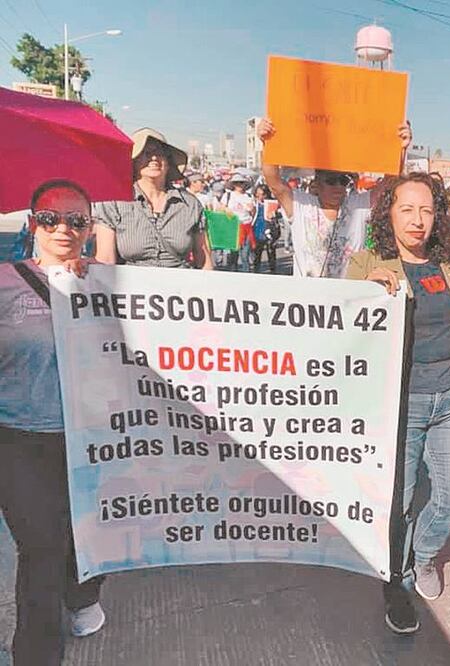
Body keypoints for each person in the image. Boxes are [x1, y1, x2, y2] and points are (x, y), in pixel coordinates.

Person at [347, 173, 450, 635]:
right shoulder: (366, 261)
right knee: (400, 501)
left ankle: (424, 556)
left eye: (427, 210)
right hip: (400, 404)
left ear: (438, 217)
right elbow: (340, 330)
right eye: (406, 209)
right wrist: (364, 295)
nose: (417, 220)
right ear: (387, 213)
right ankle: (397, 581)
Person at [1, 180, 107, 664]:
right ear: (32, 224)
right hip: (19, 439)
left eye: (76, 220)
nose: (63, 227)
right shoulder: (4, 282)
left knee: (86, 533)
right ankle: (36, 654)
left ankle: (83, 594)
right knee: (41, 548)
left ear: (89, 228)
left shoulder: (109, 283)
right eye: (50, 218)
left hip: (93, 439)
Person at [257, 118, 412, 278]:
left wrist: (399, 149)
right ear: (317, 183)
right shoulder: (301, 205)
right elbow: (274, 182)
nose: (338, 186)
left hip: (348, 298)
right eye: (331, 181)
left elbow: (390, 182)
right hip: (308, 299)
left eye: (343, 181)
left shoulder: (358, 205)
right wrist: (267, 143)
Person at [93, 128, 213, 270]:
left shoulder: (190, 204)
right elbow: (106, 259)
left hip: (180, 287)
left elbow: (204, 260)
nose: (154, 158)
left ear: (168, 162)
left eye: (160, 153)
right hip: (132, 288)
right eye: (146, 153)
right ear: (134, 161)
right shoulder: (113, 203)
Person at [226, 174, 256, 272]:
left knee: (245, 254)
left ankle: (245, 274)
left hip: (246, 226)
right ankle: (233, 274)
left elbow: (253, 211)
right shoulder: (228, 195)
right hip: (233, 227)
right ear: (233, 184)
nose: (239, 185)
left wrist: (251, 209)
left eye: (241, 183)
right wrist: (227, 211)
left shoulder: (248, 196)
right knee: (233, 254)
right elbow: (221, 207)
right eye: (237, 183)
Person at [251, 184, 281, 273]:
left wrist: (275, 214)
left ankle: (273, 270)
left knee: (271, 251)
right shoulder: (253, 202)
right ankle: (256, 271)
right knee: (257, 252)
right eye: (258, 194)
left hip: (269, 229)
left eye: (262, 194)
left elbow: (281, 213)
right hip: (257, 228)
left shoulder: (273, 202)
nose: (260, 197)